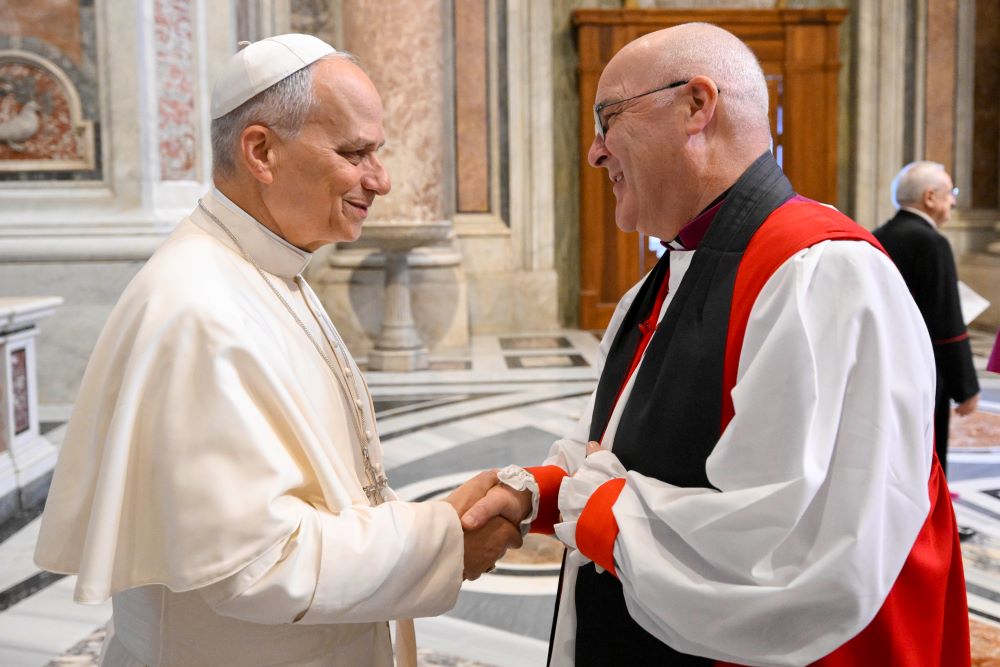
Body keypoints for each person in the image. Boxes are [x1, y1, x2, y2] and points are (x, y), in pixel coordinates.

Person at [462, 23, 970, 666]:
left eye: (607, 118)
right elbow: (625, 449)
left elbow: (795, 545)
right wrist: (538, 490)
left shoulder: (822, 273)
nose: (593, 151)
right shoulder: (672, 271)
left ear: (696, 106)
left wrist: (592, 505)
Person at [33, 34, 521, 667]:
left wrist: (432, 521)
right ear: (261, 151)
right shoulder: (195, 309)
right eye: (355, 152)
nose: (383, 179)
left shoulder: (266, 266)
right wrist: (442, 541)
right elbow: (257, 562)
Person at [873, 161, 980, 477]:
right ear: (929, 197)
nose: (954, 201)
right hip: (923, 371)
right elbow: (947, 324)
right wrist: (966, 387)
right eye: (950, 193)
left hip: (885, 365)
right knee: (925, 457)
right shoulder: (932, 243)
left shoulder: (878, 235)